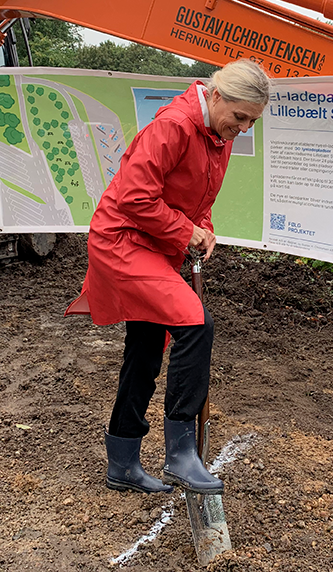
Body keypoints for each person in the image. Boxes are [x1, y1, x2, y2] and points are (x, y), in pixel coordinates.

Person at [69, 59, 271, 495]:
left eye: (252, 121)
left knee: (144, 350)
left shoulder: (219, 134)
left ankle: (122, 462)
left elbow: (199, 197)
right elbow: (134, 197)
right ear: (216, 96)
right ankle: (181, 453)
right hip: (123, 241)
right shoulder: (174, 126)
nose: (244, 128)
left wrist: (205, 229)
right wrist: (186, 231)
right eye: (240, 116)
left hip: (158, 246)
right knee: (196, 324)